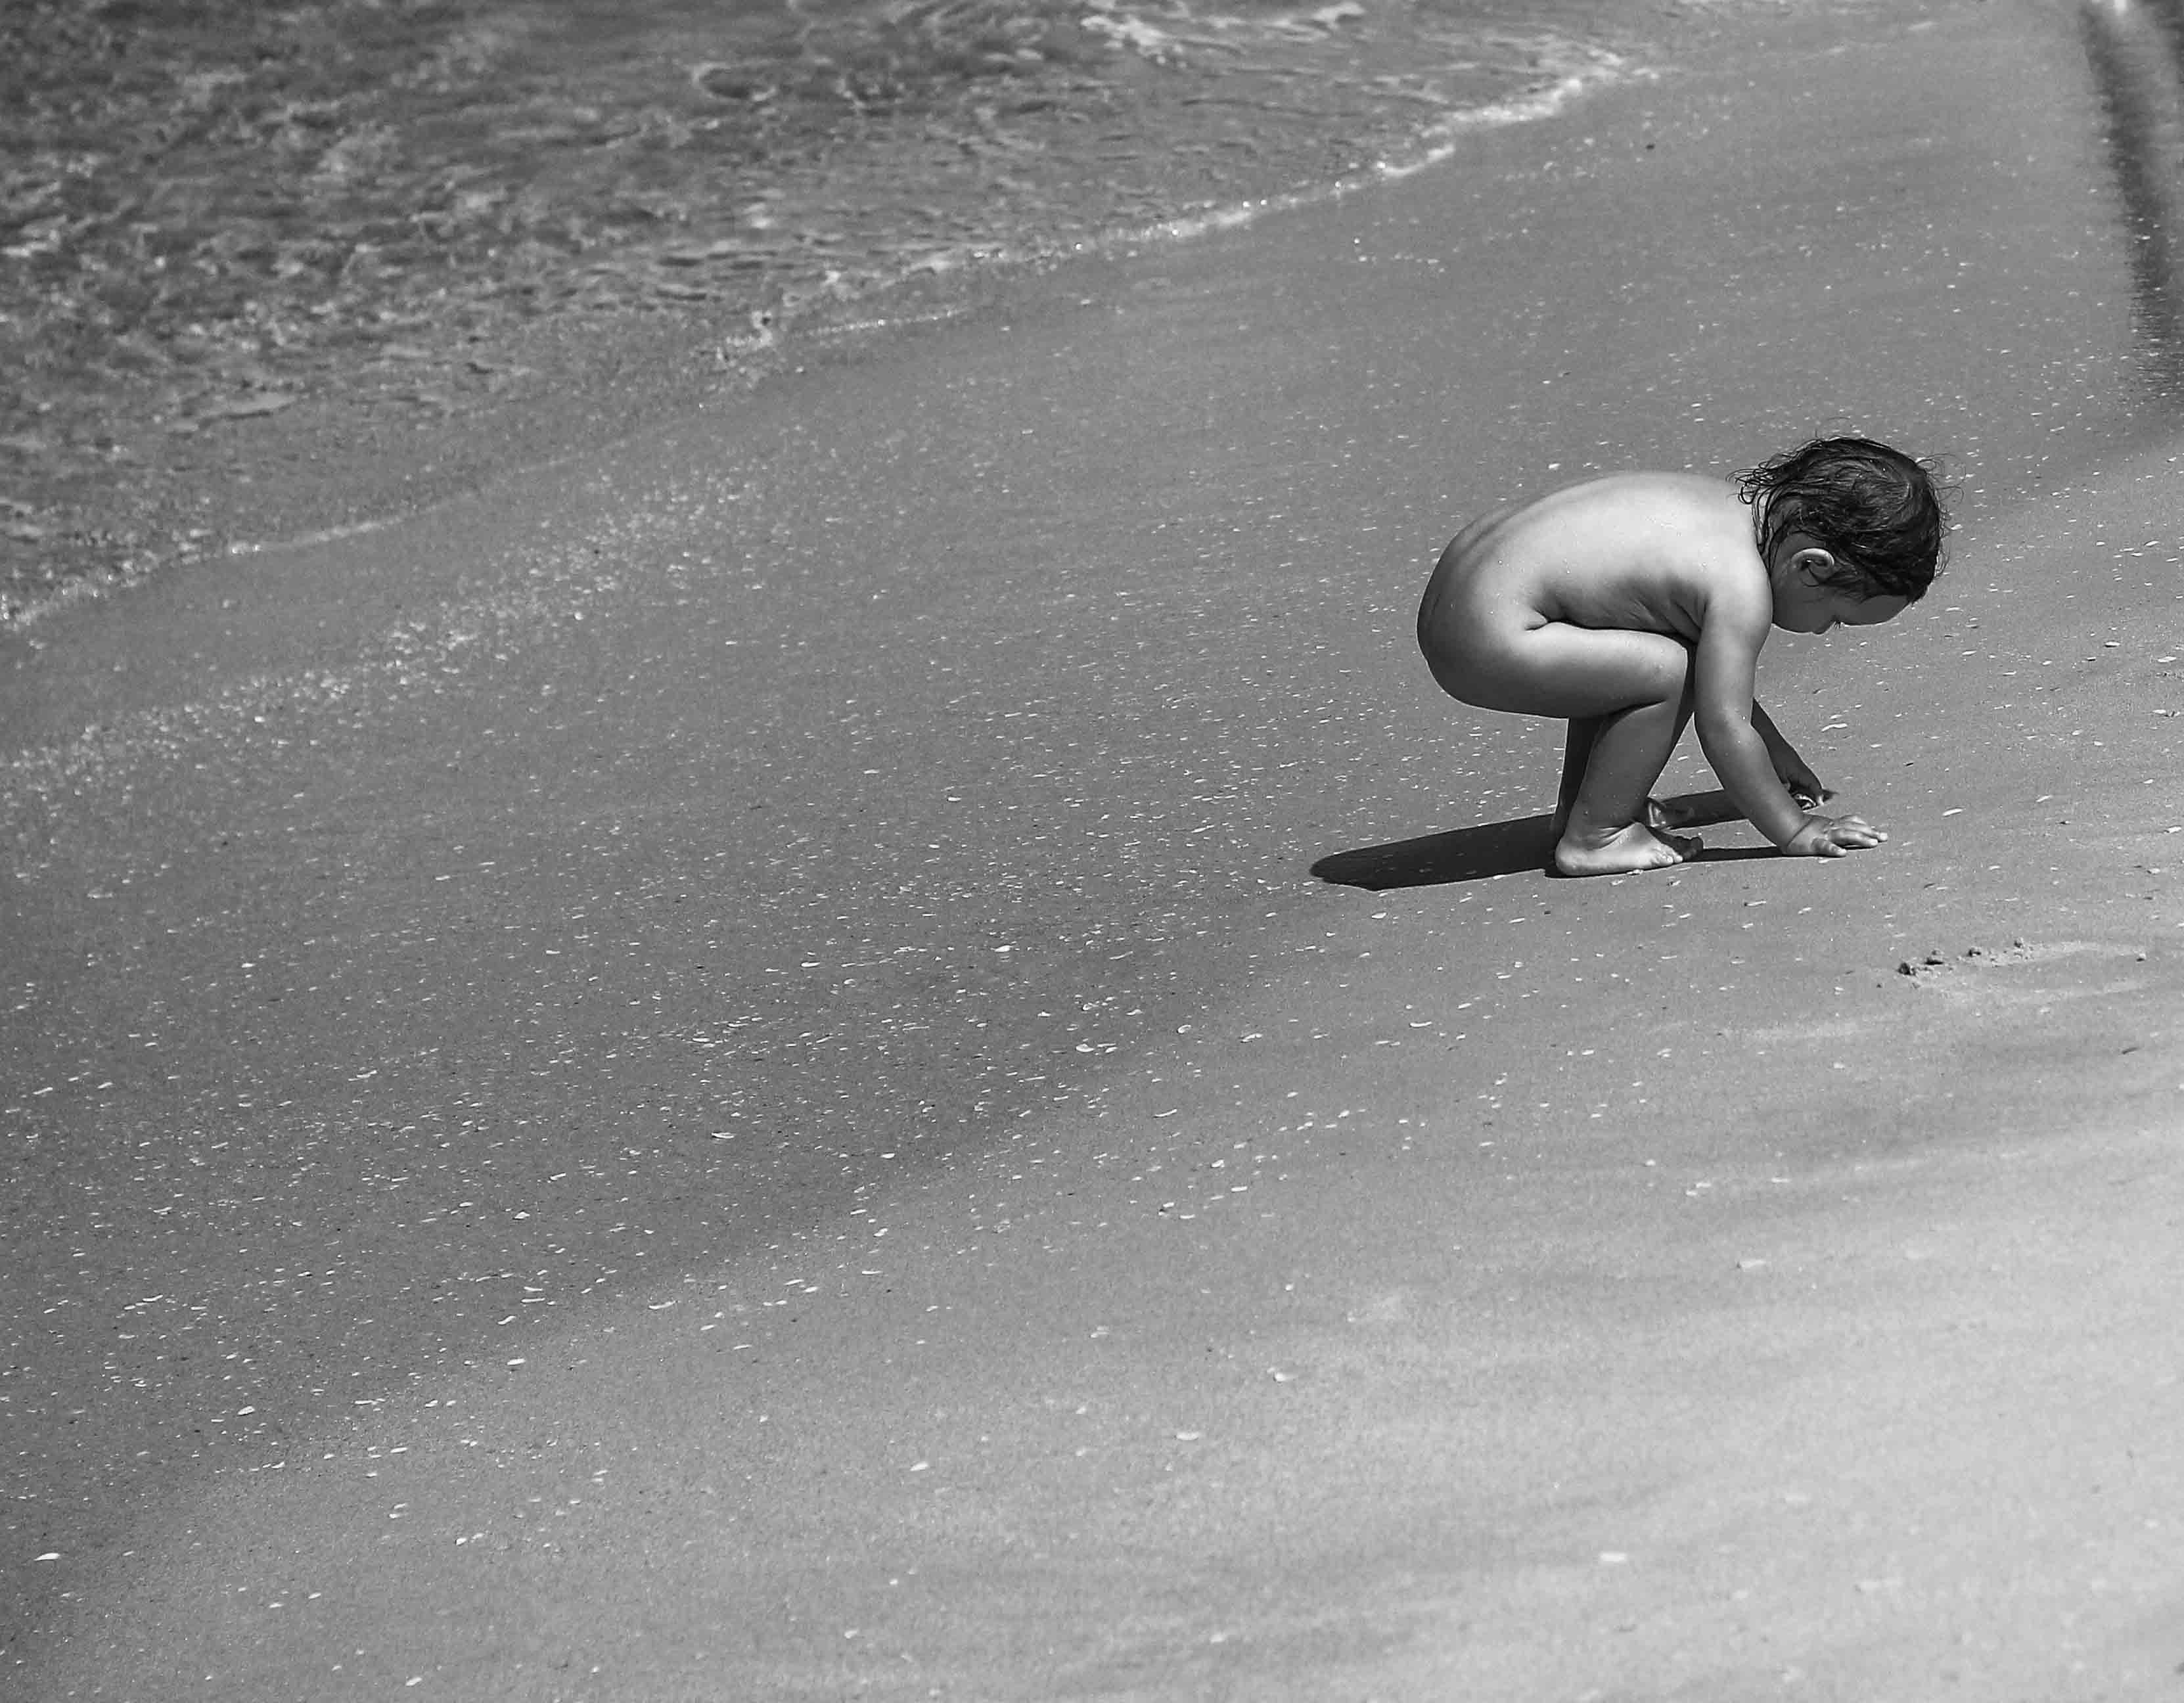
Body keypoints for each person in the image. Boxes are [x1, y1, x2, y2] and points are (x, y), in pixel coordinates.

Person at [1416, 436, 1945, 877]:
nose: (1828, 632)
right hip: (1484, 640)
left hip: (1459, 600)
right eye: (1836, 619)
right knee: (1670, 672)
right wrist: (1796, 828)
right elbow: (1722, 721)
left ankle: (1584, 809)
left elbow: (1723, 685)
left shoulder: (1727, 512)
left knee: (1641, 657)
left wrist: (1775, 751)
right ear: (1811, 567)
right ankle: (1596, 836)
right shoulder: (1741, 588)